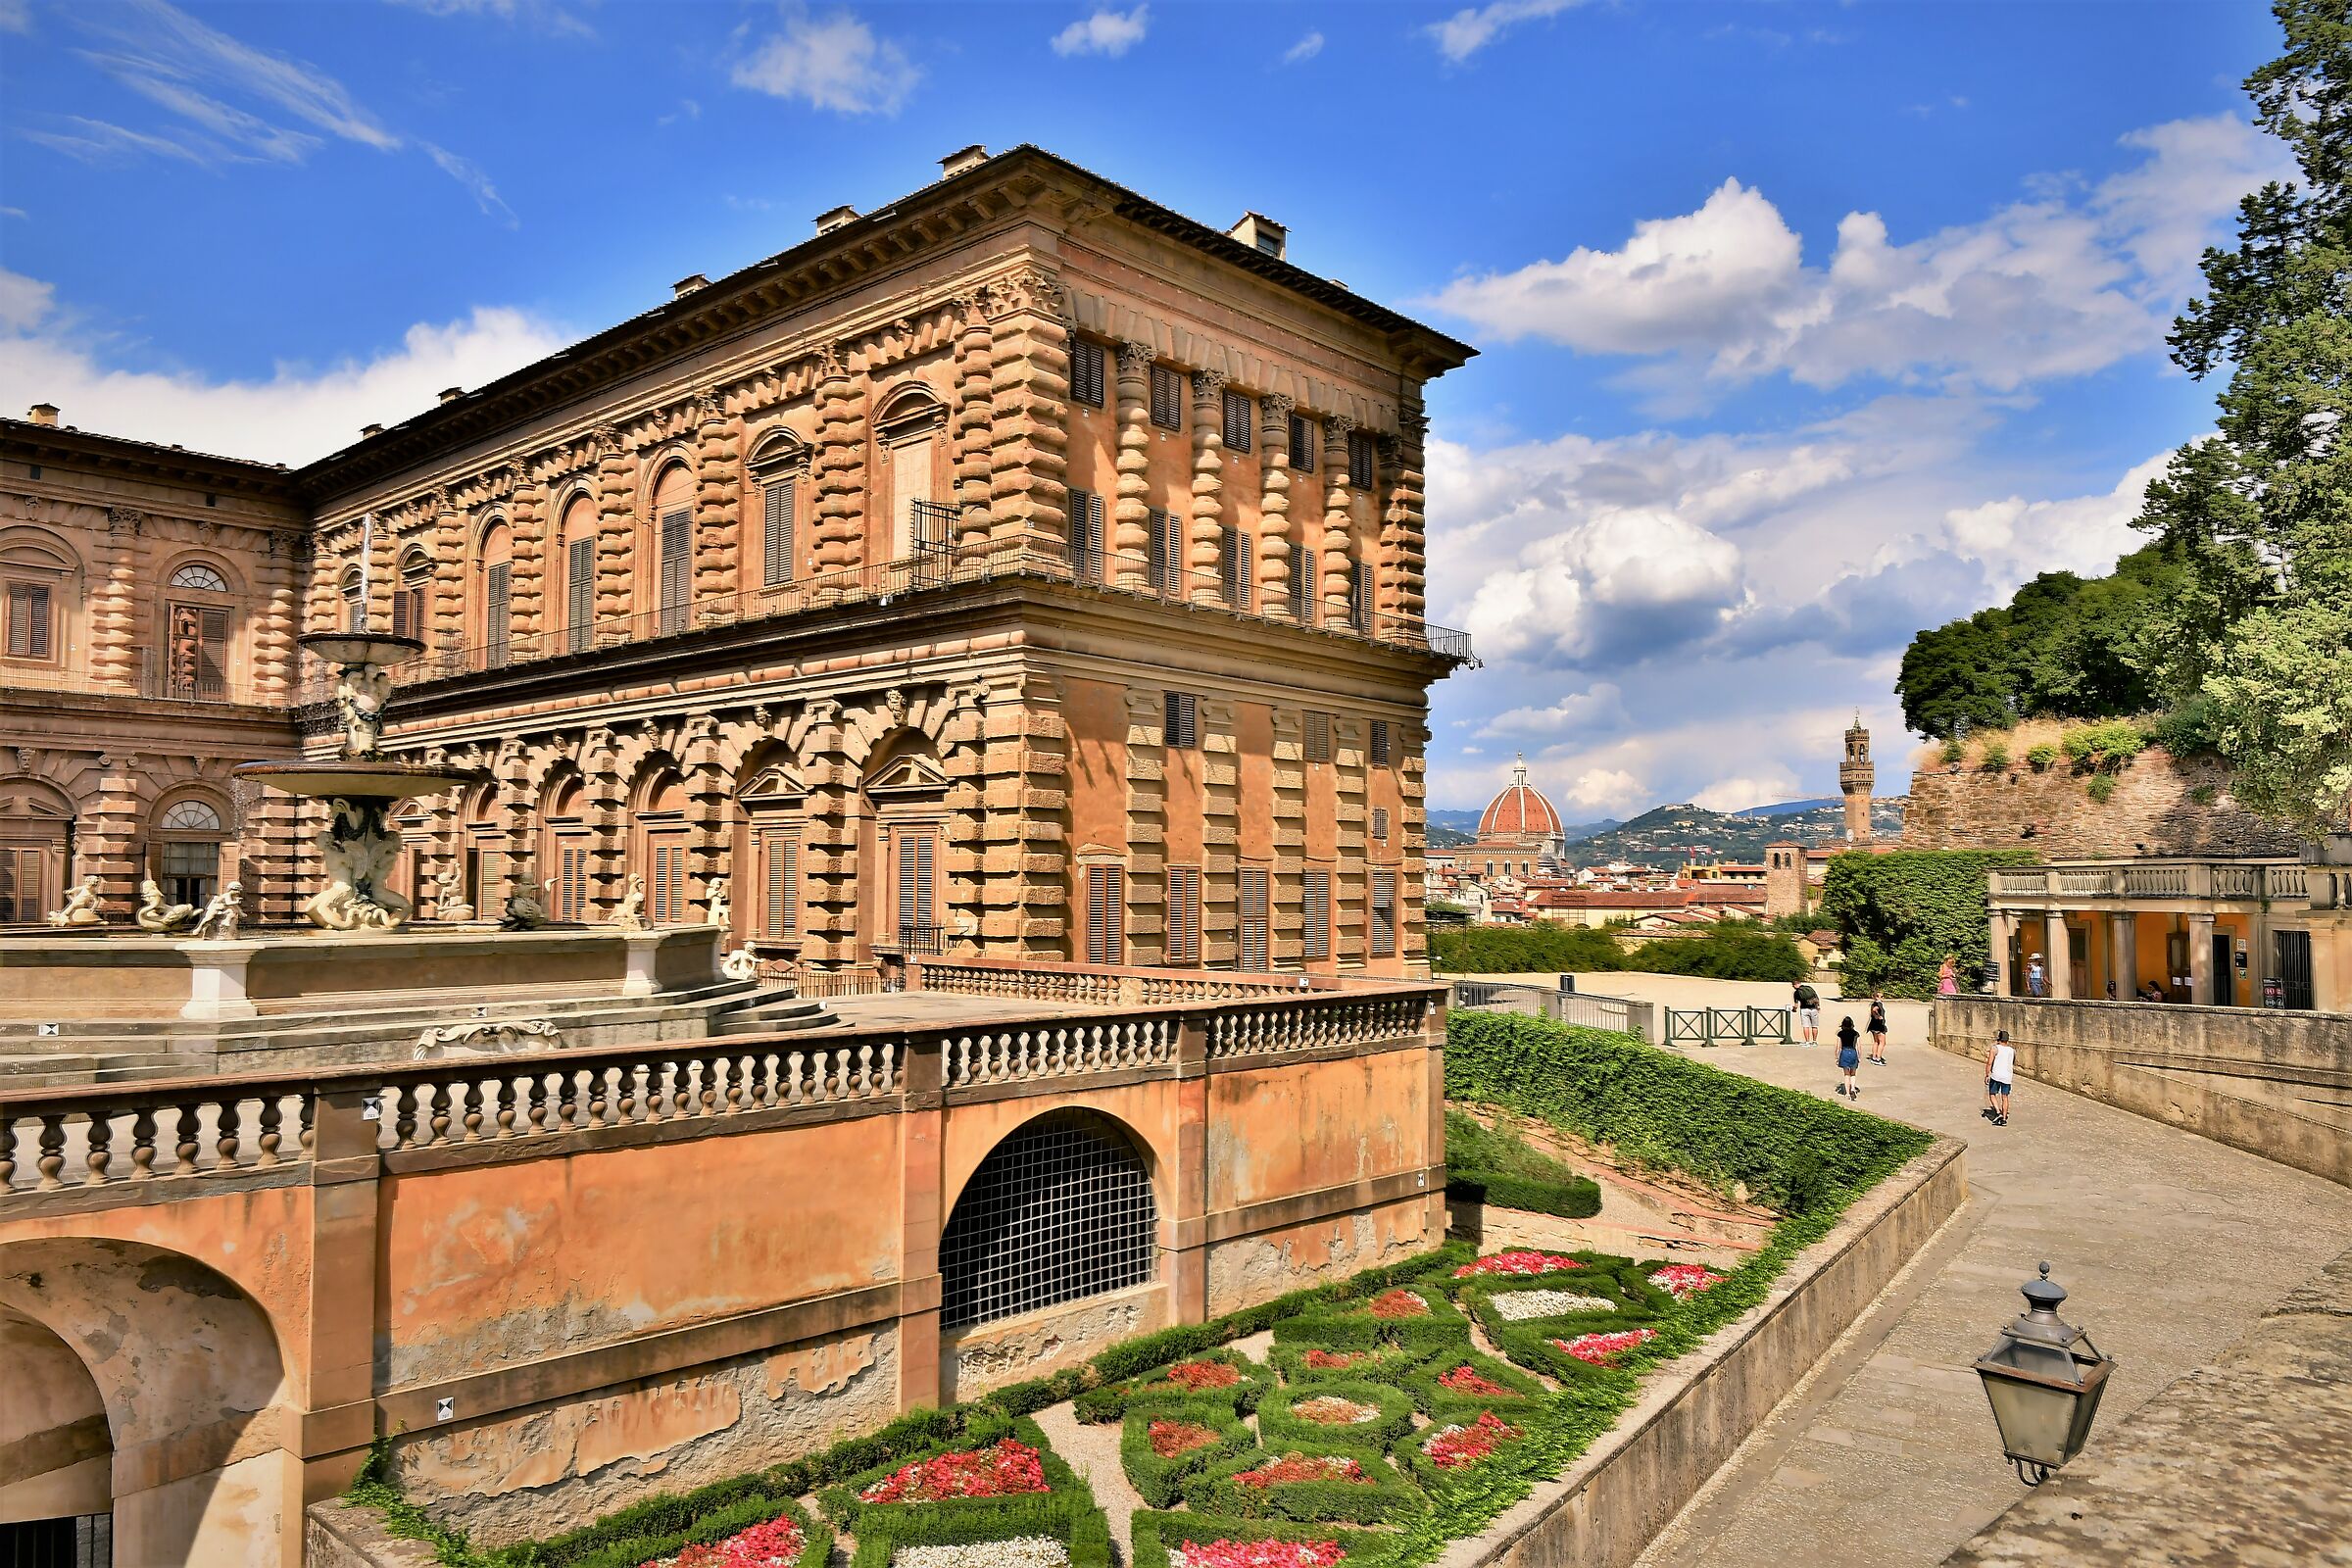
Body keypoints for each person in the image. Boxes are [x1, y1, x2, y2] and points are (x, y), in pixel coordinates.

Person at [1984, 1028, 2016, 1126]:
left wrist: (1987, 1074)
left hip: (1996, 1075)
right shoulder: (2012, 1050)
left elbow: (1989, 1063)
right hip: (2007, 1076)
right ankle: (2004, 1118)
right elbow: (2012, 1062)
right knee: (2005, 1097)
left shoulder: (1995, 1048)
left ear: (1999, 1039)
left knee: (1992, 1094)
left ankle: (1998, 1112)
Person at [1836, 1015, 1862, 1099]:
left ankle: (1847, 1093)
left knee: (1847, 1074)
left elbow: (1838, 1046)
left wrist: (1837, 1057)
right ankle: (1853, 1088)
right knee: (1853, 1073)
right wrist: (1859, 1057)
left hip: (1844, 1052)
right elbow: (1859, 1047)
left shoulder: (1840, 1033)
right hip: (1853, 1052)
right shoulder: (1856, 1034)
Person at [1792, 980, 1821, 1045]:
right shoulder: (1809, 988)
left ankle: (1807, 1041)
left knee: (1806, 1026)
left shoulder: (1796, 993)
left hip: (1804, 1009)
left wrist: (1794, 1009)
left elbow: (1796, 1004)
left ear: (1795, 985)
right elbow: (1816, 998)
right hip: (1814, 1009)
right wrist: (1818, 1007)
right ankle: (1814, 1041)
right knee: (1814, 1026)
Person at [1866, 994, 1889, 1064]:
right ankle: (1878, 1058)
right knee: (1882, 1042)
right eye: (1881, 996)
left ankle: (1874, 1057)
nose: (1882, 998)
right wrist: (1878, 1016)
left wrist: (1876, 1014)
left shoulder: (1873, 1004)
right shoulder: (1878, 1004)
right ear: (1876, 997)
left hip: (1873, 1025)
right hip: (1879, 1026)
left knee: (1876, 1042)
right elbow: (1874, 1010)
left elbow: (1873, 1011)